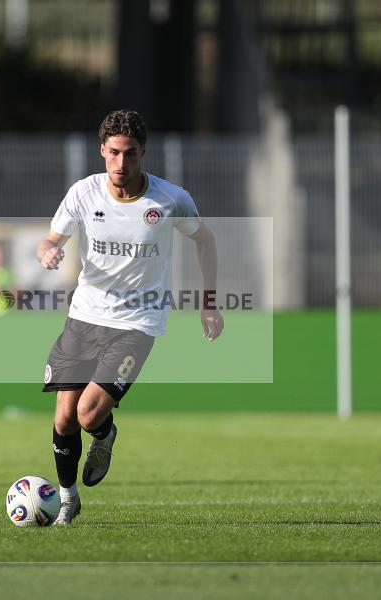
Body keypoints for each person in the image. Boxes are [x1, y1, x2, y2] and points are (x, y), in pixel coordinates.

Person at [37, 109, 223, 525]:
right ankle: (67, 499)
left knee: (88, 414)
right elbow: (50, 238)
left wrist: (209, 302)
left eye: (131, 153)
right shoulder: (84, 193)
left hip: (137, 323)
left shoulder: (170, 199)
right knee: (64, 417)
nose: (122, 163)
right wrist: (48, 251)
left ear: (143, 153)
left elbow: (205, 241)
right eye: (115, 153)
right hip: (84, 317)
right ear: (102, 151)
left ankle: (104, 433)